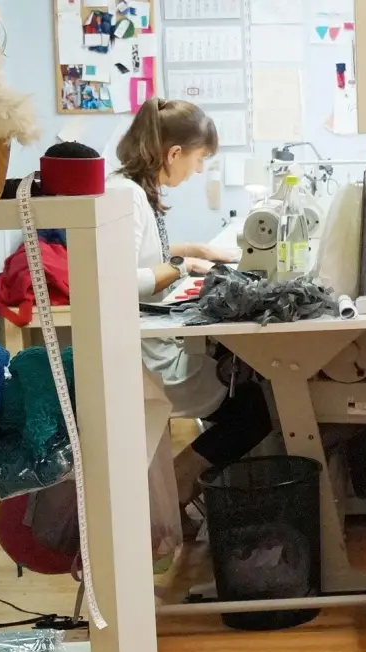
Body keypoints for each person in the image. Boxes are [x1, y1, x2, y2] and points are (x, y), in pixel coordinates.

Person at [104, 97, 272, 505]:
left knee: (251, 380)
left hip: (146, 339)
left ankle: (196, 484)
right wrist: (179, 268)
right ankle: (181, 480)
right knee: (259, 407)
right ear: (174, 153)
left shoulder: (130, 189)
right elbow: (118, 279)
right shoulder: (125, 196)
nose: (198, 170)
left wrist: (197, 250)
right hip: (143, 356)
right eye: (198, 160)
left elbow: (145, 251)